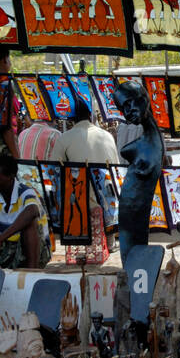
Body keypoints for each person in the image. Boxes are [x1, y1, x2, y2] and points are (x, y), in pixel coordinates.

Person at [50, 101, 120, 261]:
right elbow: (115, 166)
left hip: (80, 201)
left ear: (71, 119)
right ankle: (109, 241)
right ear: (90, 116)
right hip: (107, 202)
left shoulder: (65, 138)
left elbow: (54, 168)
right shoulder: (107, 135)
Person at [0, 152, 48, 269]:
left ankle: (32, 271)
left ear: (11, 177)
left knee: (30, 224)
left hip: (26, 249)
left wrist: (0, 239)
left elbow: (32, 210)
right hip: (2, 250)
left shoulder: (25, 192)